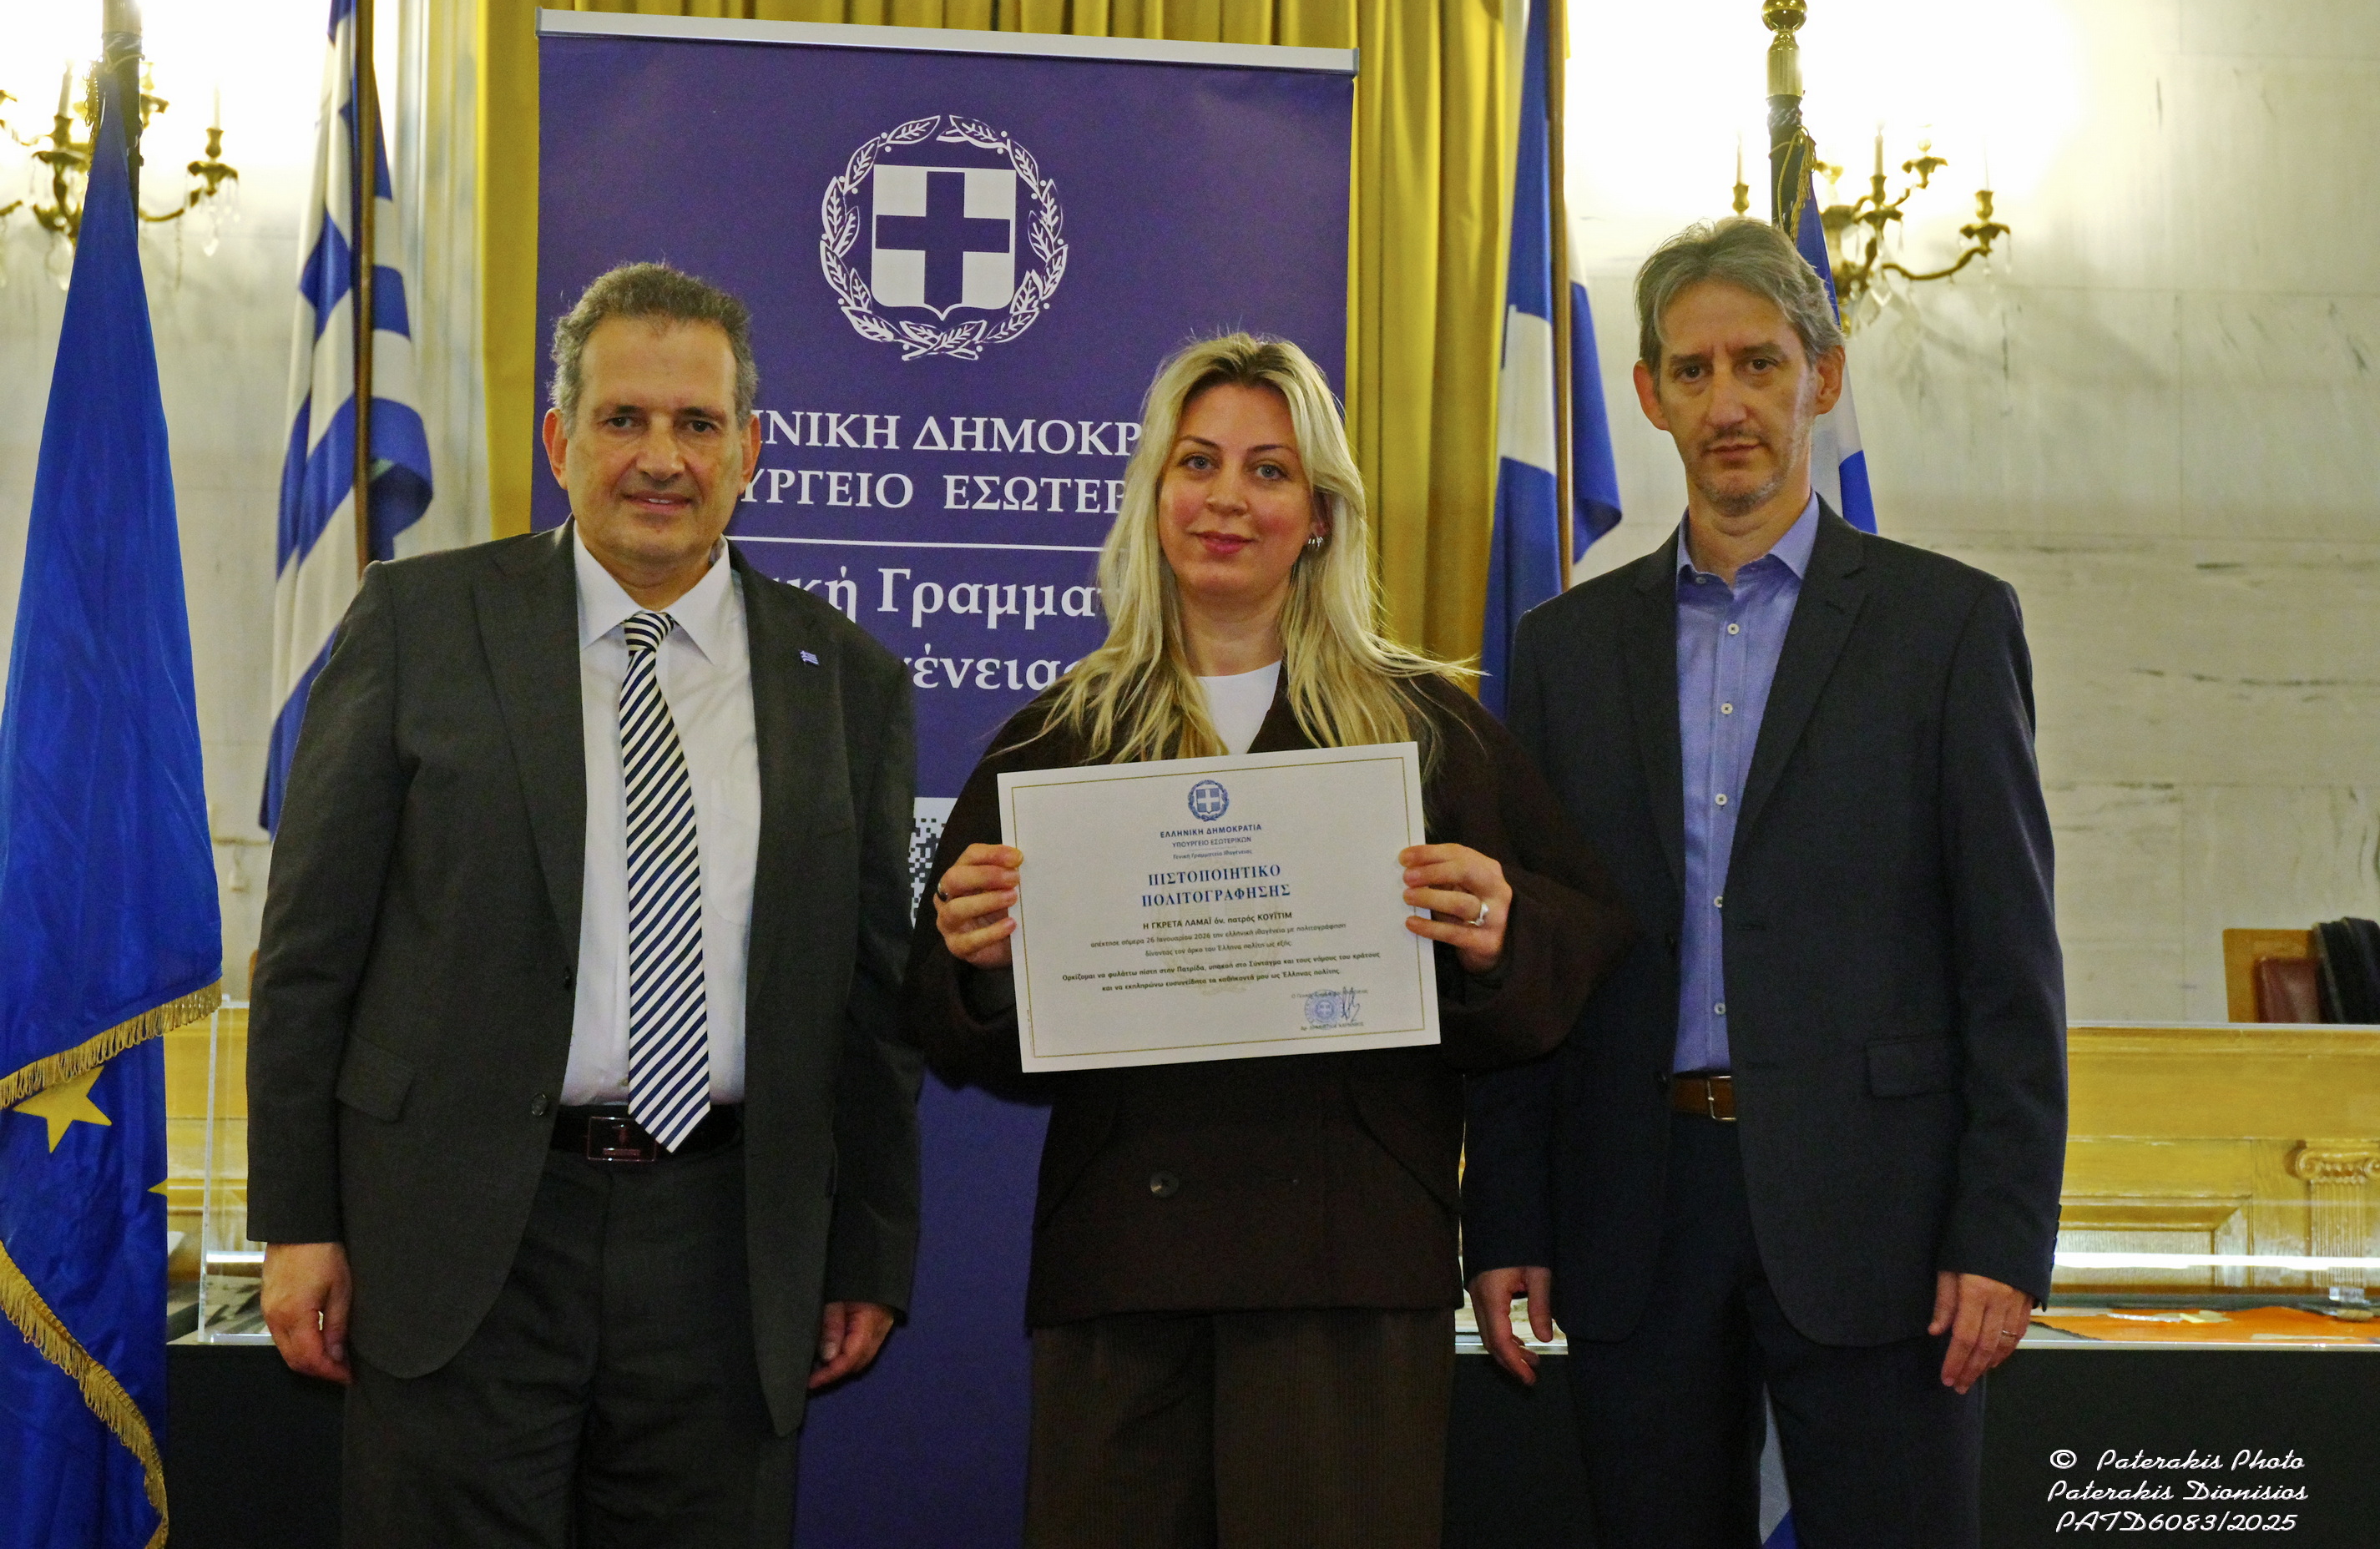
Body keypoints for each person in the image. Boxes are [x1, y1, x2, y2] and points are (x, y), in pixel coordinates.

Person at [907, 333, 1631, 1548]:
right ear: (1154, 499)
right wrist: (974, 964)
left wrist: (1500, 934)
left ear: (1321, 517)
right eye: (1197, 463)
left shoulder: (1425, 732)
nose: (1227, 499)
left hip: (1349, 1266)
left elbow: (1577, 942)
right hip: (1122, 1269)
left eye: (1269, 470)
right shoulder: (1056, 743)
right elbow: (940, 1007)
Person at [248, 263, 922, 1546]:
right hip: (456, 1237)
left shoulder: (848, 681)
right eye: (624, 419)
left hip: (725, 1251)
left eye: (697, 423)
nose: (661, 457)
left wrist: (869, 1252)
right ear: (561, 443)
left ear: (749, 453)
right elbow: (308, 956)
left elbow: (872, 1006)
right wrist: (298, 1220)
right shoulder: (420, 625)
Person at [1463, 217, 2067, 1549]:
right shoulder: (1563, 651)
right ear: (1648, 396)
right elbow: (1534, 959)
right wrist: (1505, 1210)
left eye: (1759, 364)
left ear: (1823, 377)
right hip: (1636, 1210)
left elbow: (2010, 962)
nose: (1726, 402)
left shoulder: (1949, 627)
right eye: (1692, 371)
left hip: (1883, 1221)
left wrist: (2004, 1230)